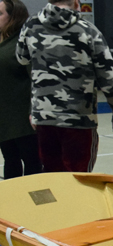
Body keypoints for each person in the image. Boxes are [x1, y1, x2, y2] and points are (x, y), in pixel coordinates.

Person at [16, 0, 113, 173]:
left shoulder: (30, 26)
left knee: (52, 175)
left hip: (44, 116)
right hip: (79, 119)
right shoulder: (88, 30)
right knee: (79, 177)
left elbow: (22, 58)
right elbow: (109, 78)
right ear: (76, 2)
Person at [0, 0, 41, 179]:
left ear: (13, 17)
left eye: (0, 13)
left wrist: (35, 111)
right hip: (4, 118)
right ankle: (12, 204)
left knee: (32, 162)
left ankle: (36, 205)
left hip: (24, 119)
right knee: (10, 160)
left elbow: (37, 79)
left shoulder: (23, 43)